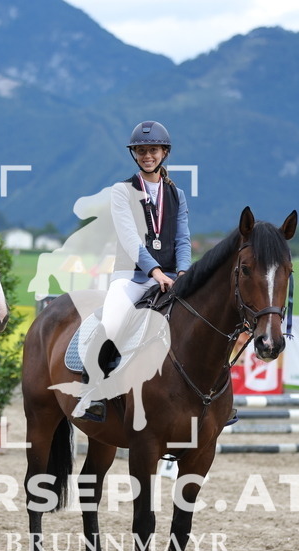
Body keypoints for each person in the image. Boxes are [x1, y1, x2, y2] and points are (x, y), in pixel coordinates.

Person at [74, 120, 192, 422]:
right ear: (134, 154)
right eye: (141, 151)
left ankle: (211, 399)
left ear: (164, 152)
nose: (147, 155)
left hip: (172, 278)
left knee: (200, 325)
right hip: (132, 277)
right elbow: (130, 238)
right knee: (112, 322)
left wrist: (182, 273)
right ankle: (94, 392)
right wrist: (155, 272)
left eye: (152, 150)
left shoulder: (176, 194)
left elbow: (182, 238)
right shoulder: (122, 191)